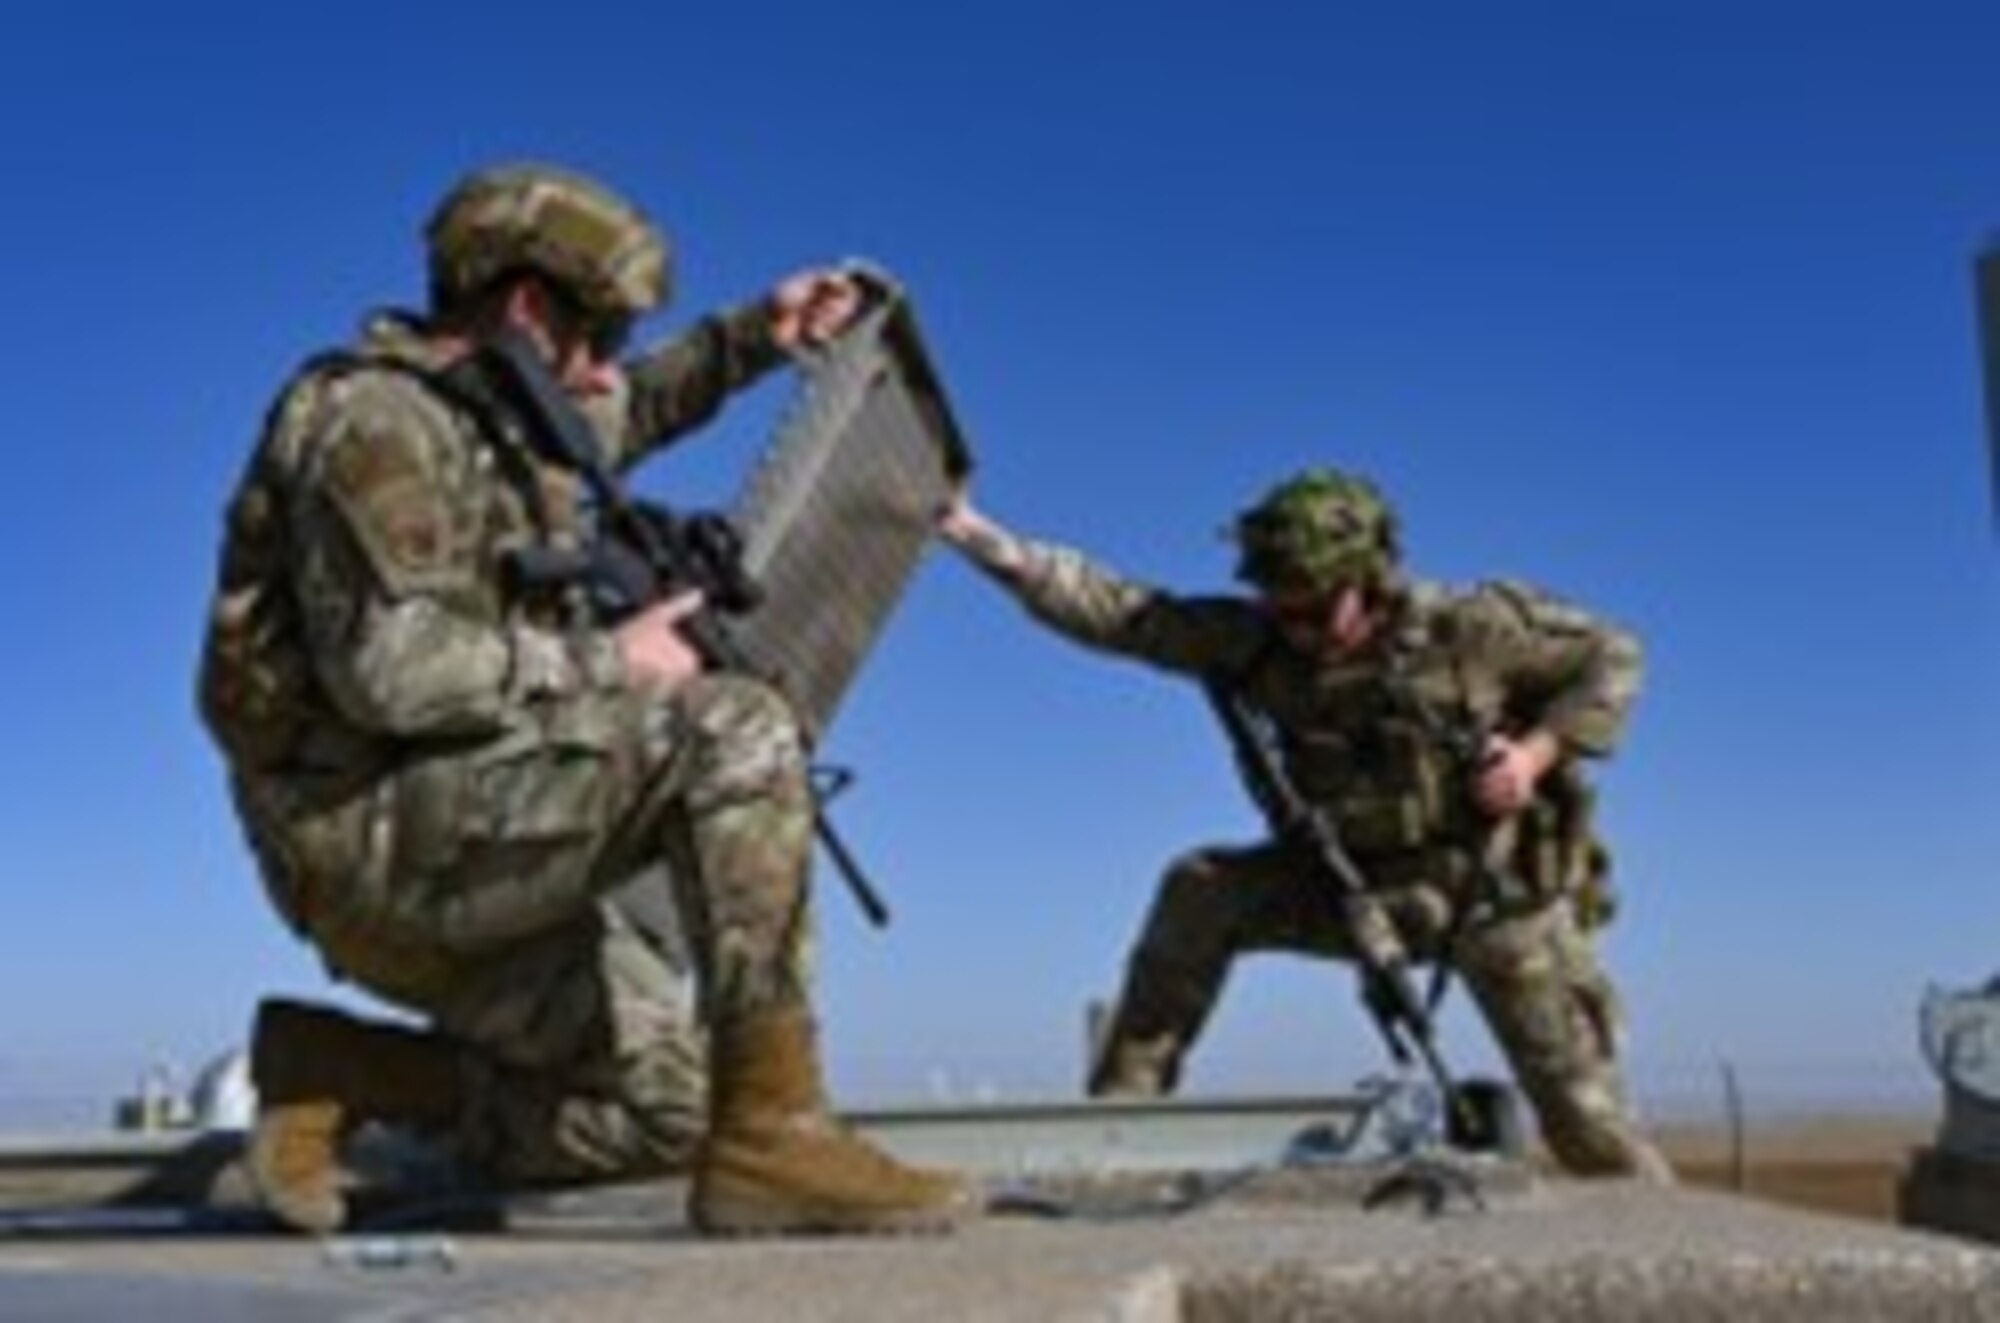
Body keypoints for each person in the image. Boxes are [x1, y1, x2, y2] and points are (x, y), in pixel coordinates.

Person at [198, 161, 974, 1235]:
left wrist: (762, 332)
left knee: (666, 1107)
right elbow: (390, 670)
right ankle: (779, 1142)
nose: (610, 373)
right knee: (732, 727)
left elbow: (641, 403)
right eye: (598, 337)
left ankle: (342, 1071)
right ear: (524, 309)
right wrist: (613, 662)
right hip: (368, 836)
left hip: (462, 822)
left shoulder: (511, 422)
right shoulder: (375, 422)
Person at [937, 467, 1673, 1180]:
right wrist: (973, 533)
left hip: (1488, 896)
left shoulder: (1472, 628)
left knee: (1590, 1127)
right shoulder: (1254, 641)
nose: (1298, 629)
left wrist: (1531, 758)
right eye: (1278, 607)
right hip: (1347, 891)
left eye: (1317, 609)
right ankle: (1120, 1128)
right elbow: (1118, 611)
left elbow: (1614, 654)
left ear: (1370, 579)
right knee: (1200, 889)